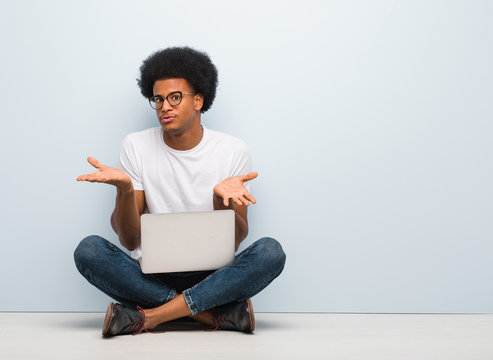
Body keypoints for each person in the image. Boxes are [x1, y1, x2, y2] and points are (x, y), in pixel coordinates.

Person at [73, 46, 286, 337]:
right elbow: (129, 239)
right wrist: (124, 190)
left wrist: (219, 201)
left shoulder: (232, 150)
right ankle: (211, 315)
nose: (164, 106)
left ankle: (150, 317)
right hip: (152, 273)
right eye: (158, 99)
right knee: (89, 250)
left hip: (214, 275)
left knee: (271, 252)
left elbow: (236, 240)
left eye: (175, 97)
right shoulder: (136, 145)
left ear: (198, 101)